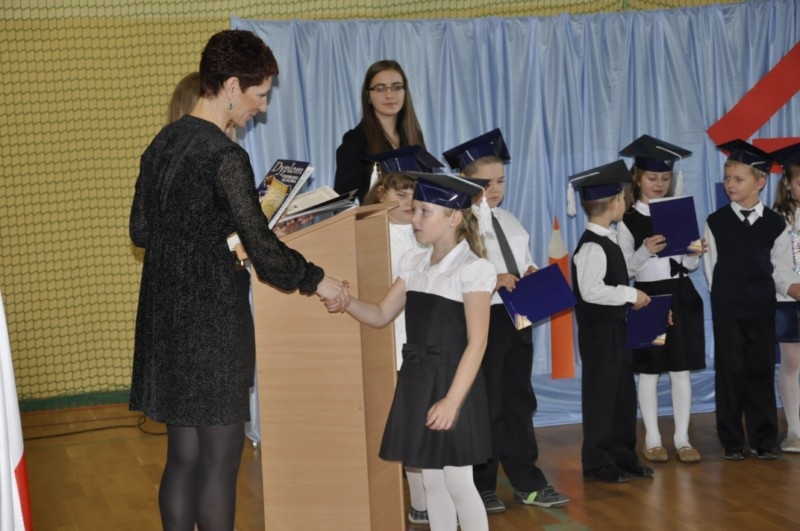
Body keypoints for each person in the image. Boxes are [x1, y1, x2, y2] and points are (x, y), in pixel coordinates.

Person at [129, 29, 347, 530]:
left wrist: (216, 234)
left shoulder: (162, 144)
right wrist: (319, 280)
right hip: (213, 327)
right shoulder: (225, 156)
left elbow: (142, 231)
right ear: (231, 86)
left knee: (183, 458)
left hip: (167, 323)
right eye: (260, 94)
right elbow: (266, 256)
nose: (262, 107)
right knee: (220, 464)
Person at [326, 172, 495, 531]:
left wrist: (452, 402)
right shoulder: (414, 265)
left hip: (453, 382)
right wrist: (345, 301)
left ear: (454, 217)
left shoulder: (473, 269)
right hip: (418, 379)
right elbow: (380, 314)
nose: (414, 218)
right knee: (432, 480)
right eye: (414, 209)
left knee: (458, 481)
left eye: (424, 212)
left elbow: (477, 342)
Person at [442, 129, 569, 512]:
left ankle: (528, 481)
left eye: (500, 181)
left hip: (517, 317)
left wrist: (529, 272)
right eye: (485, 183)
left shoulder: (510, 221)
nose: (494, 190)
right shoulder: (457, 224)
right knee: (487, 403)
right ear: (464, 181)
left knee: (518, 400)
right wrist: (491, 278)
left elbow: (522, 260)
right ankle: (481, 484)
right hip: (483, 318)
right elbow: (449, 273)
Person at [361, 145, 443, 526]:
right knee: (405, 425)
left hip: (425, 338)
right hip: (387, 339)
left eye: (413, 192)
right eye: (400, 191)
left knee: (426, 421)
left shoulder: (424, 235)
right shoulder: (367, 233)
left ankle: (429, 500)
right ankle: (419, 501)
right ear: (381, 193)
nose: (408, 200)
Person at [617, 135, 706, 464]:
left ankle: (682, 438)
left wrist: (694, 253)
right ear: (637, 178)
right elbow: (624, 269)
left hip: (682, 295)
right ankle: (652, 438)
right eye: (652, 177)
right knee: (650, 371)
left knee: (681, 370)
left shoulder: (678, 212)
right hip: (647, 297)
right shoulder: (627, 220)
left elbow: (688, 265)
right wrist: (645, 251)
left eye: (665, 178)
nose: (659, 184)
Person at [568, 160, 654, 483]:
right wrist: (630, 295)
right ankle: (597, 460)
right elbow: (591, 291)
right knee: (601, 395)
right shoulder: (592, 246)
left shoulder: (611, 238)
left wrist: (641, 258)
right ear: (615, 202)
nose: (625, 202)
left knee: (622, 394)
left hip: (617, 329)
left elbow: (619, 273)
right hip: (599, 333)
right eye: (623, 197)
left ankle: (622, 454)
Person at [703, 139, 783, 461]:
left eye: (738, 179)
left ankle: (764, 439)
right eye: (727, 178)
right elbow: (711, 269)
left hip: (761, 307)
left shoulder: (776, 223)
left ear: (760, 182)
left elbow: (778, 267)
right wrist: (727, 297)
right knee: (730, 371)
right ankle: (732, 440)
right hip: (728, 308)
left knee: (760, 370)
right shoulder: (716, 221)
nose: (730, 185)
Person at [334, 60, 426, 203]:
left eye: (396, 87)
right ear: (368, 96)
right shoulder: (355, 142)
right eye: (380, 88)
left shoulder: (414, 137)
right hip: (376, 217)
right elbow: (343, 203)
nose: (389, 95)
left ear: (405, 92)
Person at [770, 141, 800, 454]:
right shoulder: (777, 220)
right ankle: (794, 429)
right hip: (789, 301)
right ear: (788, 184)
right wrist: (790, 288)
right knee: (792, 362)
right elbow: (774, 266)